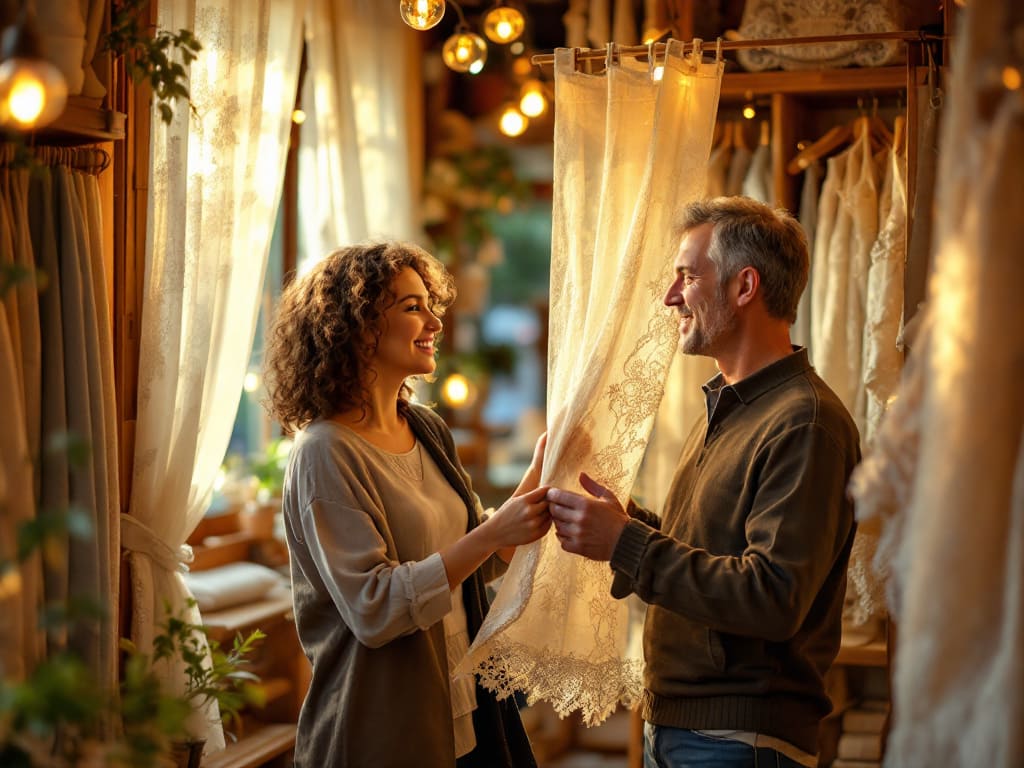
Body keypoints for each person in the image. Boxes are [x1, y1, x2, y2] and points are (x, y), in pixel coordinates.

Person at [547, 197, 860, 768]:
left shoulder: (805, 422)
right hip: (690, 731)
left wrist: (624, 543)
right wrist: (630, 523)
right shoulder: (730, 405)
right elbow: (717, 553)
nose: (670, 297)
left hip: (739, 744)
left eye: (688, 276)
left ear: (745, 287)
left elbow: (771, 597)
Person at [263, 241, 549, 768]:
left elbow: (463, 565)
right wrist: (493, 532)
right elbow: (375, 610)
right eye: (412, 307)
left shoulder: (427, 428)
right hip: (379, 730)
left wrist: (530, 490)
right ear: (355, 325)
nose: (435, 323)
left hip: (462, 713)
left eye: (430, 305)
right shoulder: (325, 451)